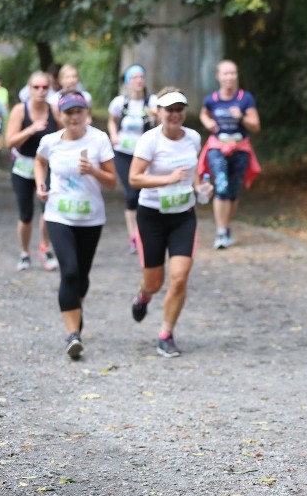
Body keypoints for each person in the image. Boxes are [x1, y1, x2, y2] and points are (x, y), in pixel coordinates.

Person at [128, 87, 212, 358]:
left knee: (179, 278)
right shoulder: (150, 141)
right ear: (158, 113)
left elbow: (193, 171)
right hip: (152, 216)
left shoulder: (193, 138)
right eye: (169, 110)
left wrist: (200, 188)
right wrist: (167, 180)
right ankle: (144, 295)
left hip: (183, 217)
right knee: (155, 282)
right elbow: (134, 178)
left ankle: (166, 334)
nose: (175, 115)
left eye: (179, 109)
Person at [34, 91, 116, 359]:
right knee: (68, 271)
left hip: (91, 218)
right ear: (61, 115)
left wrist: (93, 170)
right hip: (59, 216)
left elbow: (113, 181)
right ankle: (73, 335)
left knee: (81, 277)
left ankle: (74, 314)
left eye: (78, 111)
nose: (74, 117)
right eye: (68, 112)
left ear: (86, 113)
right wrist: (40, 184)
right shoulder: (50, 141)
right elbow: (39, 160)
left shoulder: (99, 139)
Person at [198, 59, 261, 249]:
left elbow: (256, 125)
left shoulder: (245, 99)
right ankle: (221, 232)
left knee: (233, 192)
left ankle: (226, 226)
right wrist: (207, 123)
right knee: (222, 187)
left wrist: (241, 117)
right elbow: (204, 113)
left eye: (233, 73)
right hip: (217, 148)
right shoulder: (212, 99)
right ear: (218, 76)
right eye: (226, 73)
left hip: (240, 149)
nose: (230, 77)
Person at [5, 71, 61, 271]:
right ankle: (24, 252)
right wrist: (31, 129)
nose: (40, 91)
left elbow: (65, 135)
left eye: (45, 87)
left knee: (47, 209)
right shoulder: (21, 110)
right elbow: (9, 142)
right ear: (29, 89)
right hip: (22, 166)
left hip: (46, 166)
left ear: (49, 89)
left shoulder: (54, 110)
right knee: (26, 214)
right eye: (36, 87)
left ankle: (45, 248)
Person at [107, 64, 158, 253]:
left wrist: (157, 115)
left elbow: (162, 122)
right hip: (123, 153)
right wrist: (113, 135)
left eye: (141, 77)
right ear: (128, 81)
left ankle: (144, 231)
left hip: (145, 155)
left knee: (144, 194)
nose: (138, 81)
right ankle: (133, 237)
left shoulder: (152, 101)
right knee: (131, 194)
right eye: (134, 77)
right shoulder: (120, 102)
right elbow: (112, 120)